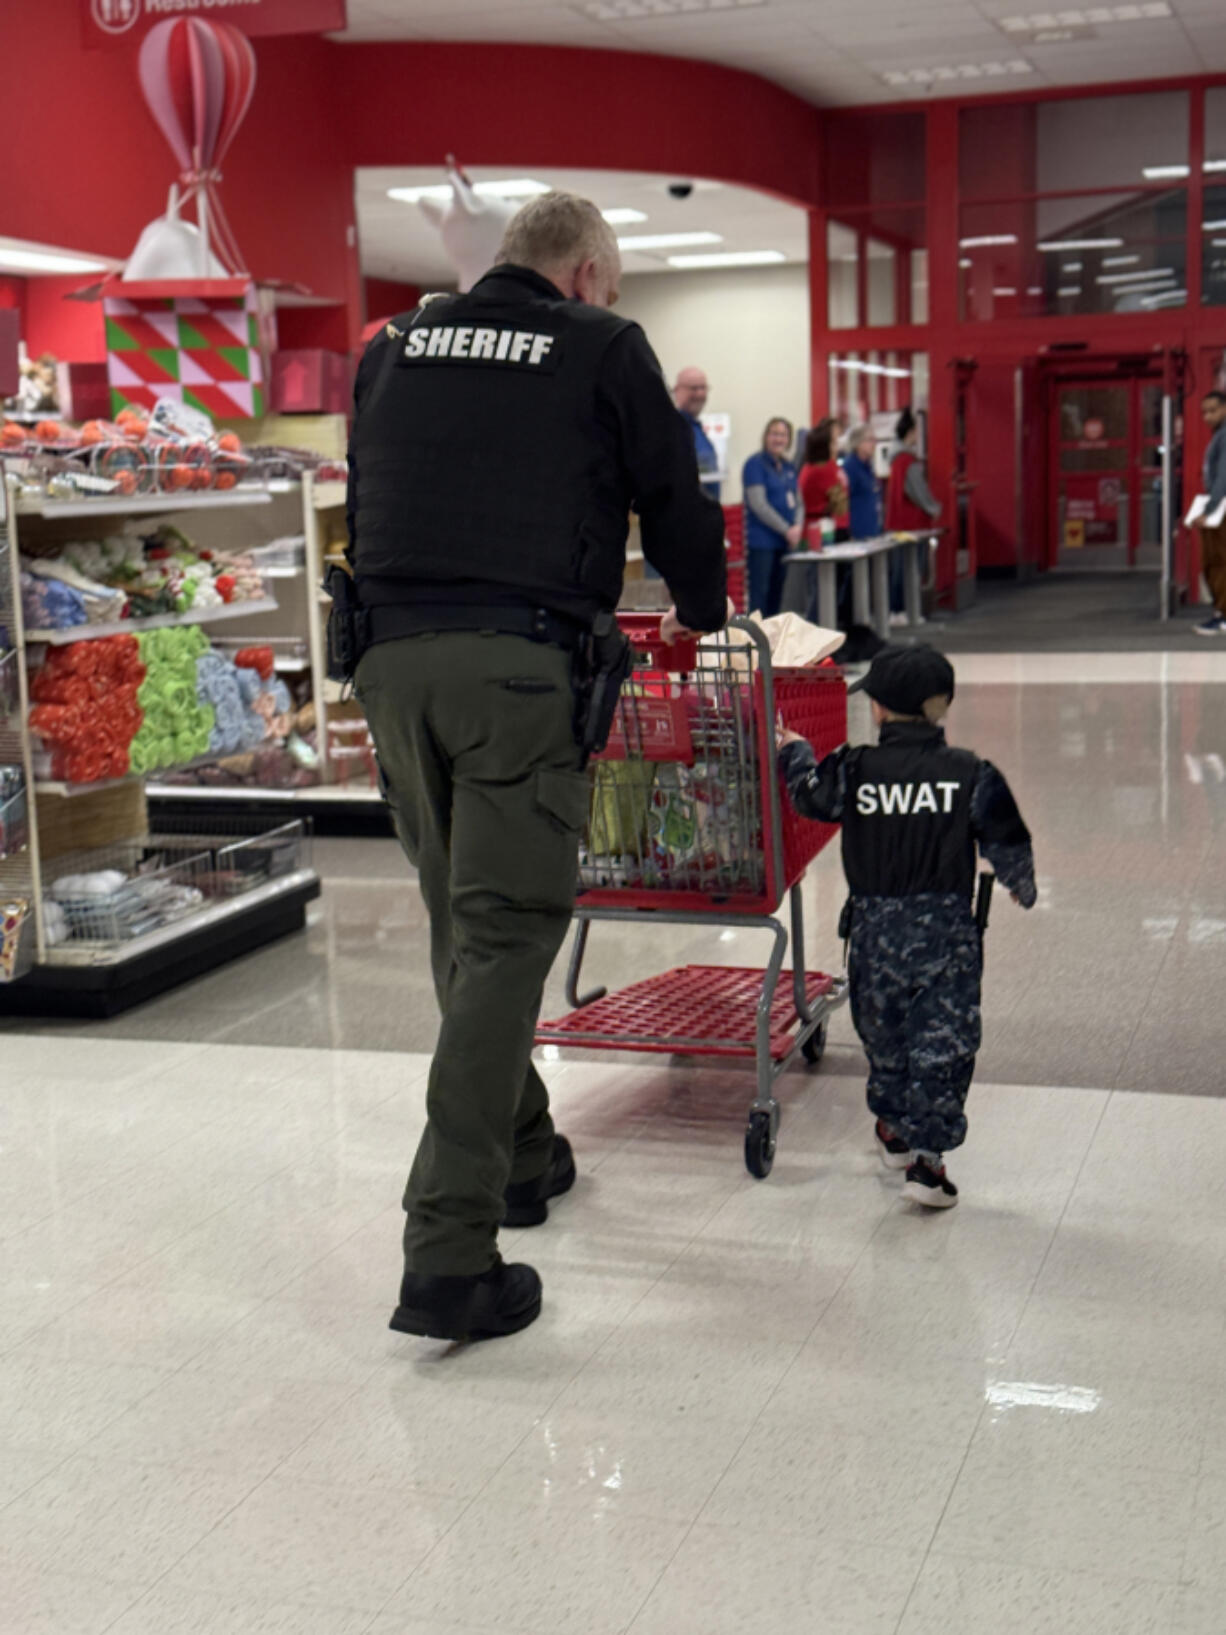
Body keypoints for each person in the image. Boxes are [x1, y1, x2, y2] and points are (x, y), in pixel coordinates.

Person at [346, 192, 729, 1342]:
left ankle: (522, 1155)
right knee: (510, 931)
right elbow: (672, 500)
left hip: (389, 663)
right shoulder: (601, 344)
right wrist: (703, 615)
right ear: (587, 273)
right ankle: (447, 1253)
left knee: (463, 926)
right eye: (607, 284)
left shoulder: (395, 346)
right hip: (518, 672)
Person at [777, 644, 1036, 1208]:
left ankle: (894, 1127)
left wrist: (794, 752)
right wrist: (1020, 881)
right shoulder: (970, 772)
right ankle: (928, 1159)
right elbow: (1006, 834)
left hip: (874, 934)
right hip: (948, 937)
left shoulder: (853, 768)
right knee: (944, 1042)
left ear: (878, 711)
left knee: (884, 1035)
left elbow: (807, 797)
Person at [885, 406, 941, 627]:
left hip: (897, 524)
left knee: (898, 569)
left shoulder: (895, 460)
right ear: (909, 433)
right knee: (912, 570)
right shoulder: (909, 462)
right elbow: (918, 492)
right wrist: (934, 508)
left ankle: (896, 609)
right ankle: (906, 610)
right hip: (912, 524)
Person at [743, 416, 802, 618]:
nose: (779, 439)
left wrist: (797, 528)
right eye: (774, 434)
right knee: (760, 597)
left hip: (784, 542)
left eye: (783, 435)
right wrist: (787, 529)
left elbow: (799, 501)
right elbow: (758, 504)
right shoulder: (754, 465)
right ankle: (755, 642)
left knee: (777, 597)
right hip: (762, 543)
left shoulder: (788, 467)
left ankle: (771, 642)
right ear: (766, 437)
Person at [1194, 389, 1226, 636]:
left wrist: (1210, 508)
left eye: (1213, 410)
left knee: (1217, 561)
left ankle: (1222, 615)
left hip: (1222, 510)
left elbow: (1223, 476)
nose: (1207, 416)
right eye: (1204, 411)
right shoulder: (1218, 435)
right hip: (1219, 507)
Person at [673, 367, 722, 502]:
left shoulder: (698, 429)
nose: (700, 394)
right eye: (694, 388)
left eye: (703, 388)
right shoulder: (672, 428)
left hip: (706, 513)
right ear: (677, 391)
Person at [799, 420, 849, 539]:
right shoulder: (823, 468)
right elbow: (840, 506)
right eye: (834, 443)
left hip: (820, 527)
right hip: (825, 529)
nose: (837, 447)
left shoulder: (810, 466)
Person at [843, 424, 881, 543]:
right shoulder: (850, 467)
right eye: (870, 440)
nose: (874, 444)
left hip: (872, 531)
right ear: (858, 443)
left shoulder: (868, 466)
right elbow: (844, 501)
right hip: (857, 534)